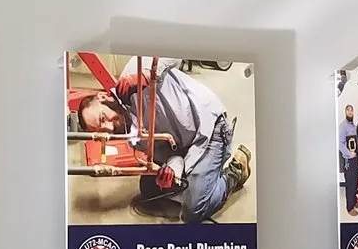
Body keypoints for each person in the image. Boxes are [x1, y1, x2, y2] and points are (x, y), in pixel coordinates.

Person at [71, 58, 250, 223]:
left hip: (210, 129)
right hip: (187, 146)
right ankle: (202, 177)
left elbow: (174, 52)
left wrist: (147, 74)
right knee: (149, 187)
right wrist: (172, 169)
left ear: (103, 98)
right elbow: (172, 154)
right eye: (103, 130)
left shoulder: (135, 69)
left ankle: (234, 172)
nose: (110, 128)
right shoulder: (132, 136)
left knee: (193, 211)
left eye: (103, 118)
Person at [340, 104, 358, 215]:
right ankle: (349, 208)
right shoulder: (343, 126)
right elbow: (340, 143)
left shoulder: (354, 126)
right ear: (345, 112)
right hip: (348, 160)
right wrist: (349, 153)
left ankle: (353, 202)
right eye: (348, 111)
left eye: (351, 111)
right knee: (350, 183)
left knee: (356, 181)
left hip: (355, 159)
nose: (350, 112)